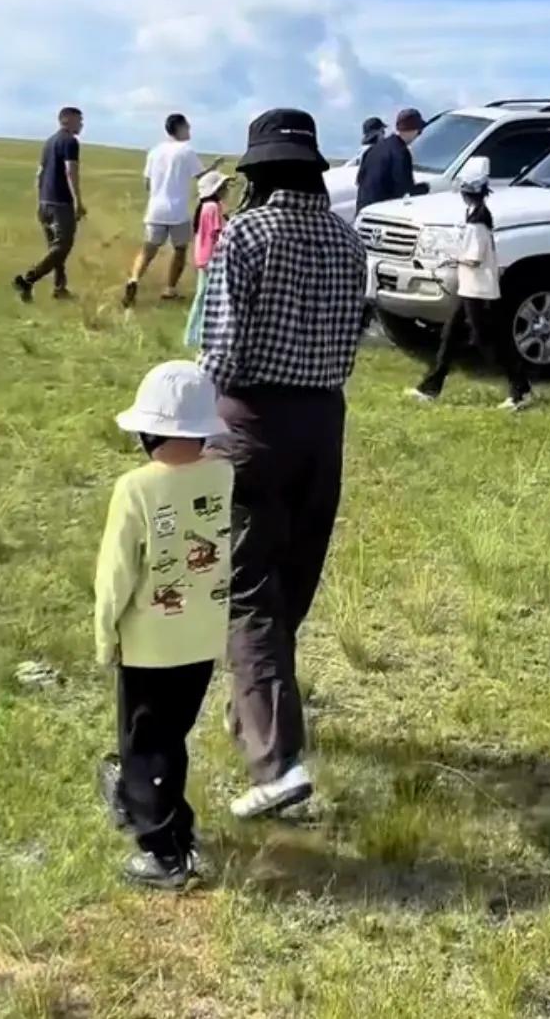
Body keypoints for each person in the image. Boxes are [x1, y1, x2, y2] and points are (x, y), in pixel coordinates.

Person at [200, 108, 367, 819]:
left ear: (258, 174)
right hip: (322, 423)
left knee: (245, 590)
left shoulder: (246, 232)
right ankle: (257, 712)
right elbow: (353, 343)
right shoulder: (348, 241)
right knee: (291, 577)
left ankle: (277, 764)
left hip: (250, 424)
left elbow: (221, 351)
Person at [94, 360, 232, 890]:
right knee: (170, 737)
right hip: (202, 639)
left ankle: (163, 852)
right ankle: (170, 820)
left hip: (150, 646)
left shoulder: (135, 489)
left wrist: (106, 634)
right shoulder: (222, 474)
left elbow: (116, 575)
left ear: (147, 432)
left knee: (143, 744)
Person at [407, 158, 532, 410]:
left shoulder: (478, 222)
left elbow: (473, 257)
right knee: (450, 336)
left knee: (487, 341)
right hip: (469, 288)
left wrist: (449, 257)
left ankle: (520, 389)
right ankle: (431, 387)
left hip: (479, 291)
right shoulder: (475, 215)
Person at [123, 113, 222, 308]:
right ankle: (170, 288)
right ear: (180, 127)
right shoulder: (186, 151)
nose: (190, 130)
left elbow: (147, 182)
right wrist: (215, 166)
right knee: (180, 249)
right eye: (188, 127)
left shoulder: (154, 151)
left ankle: (133, 279)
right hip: (177, 211)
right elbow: (202, 178)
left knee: (148, 249)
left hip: (155, 209)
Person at [13, 106, 86, 302]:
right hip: (60, 203)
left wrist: (40, 202)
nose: (82, 124)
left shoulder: (49, 142)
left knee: (55, 249)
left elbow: (39, 174)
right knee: (62, 246)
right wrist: (78, 201)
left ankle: (59, 288)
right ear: (67, 120)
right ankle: (28, 279)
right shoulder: (70, 141)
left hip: (45, 202)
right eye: (79, 120)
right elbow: (71, 172)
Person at [184, 171, 232, 349]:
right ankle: (195, 336)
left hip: (203, 257)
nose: (227, 190)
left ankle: (194, 335)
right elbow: (218, 233)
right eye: (224, 186)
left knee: (202, 295)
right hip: (211, 258)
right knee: (205, 296)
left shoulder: (205, 206)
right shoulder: (213, 207)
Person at [355, 107, 430, 215]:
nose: (419, 134)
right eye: (419, 131)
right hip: (381, 216)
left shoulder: (373, 149)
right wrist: (425, 188)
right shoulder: (401, 153)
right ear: (413, 130)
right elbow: (404, 189)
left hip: (362, 213)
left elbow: (359, 180)